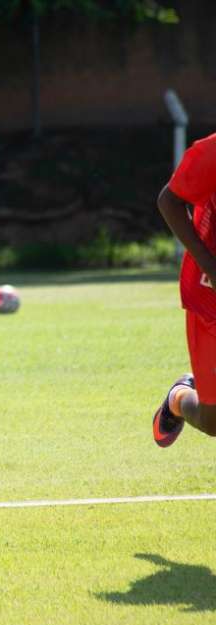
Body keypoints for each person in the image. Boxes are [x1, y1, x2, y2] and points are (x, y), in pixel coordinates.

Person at [153, 131, 216, 447]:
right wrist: (211, 267)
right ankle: (179, 397)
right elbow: (169, 200)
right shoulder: (213, 151)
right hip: (211, 299)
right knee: (213, 421)